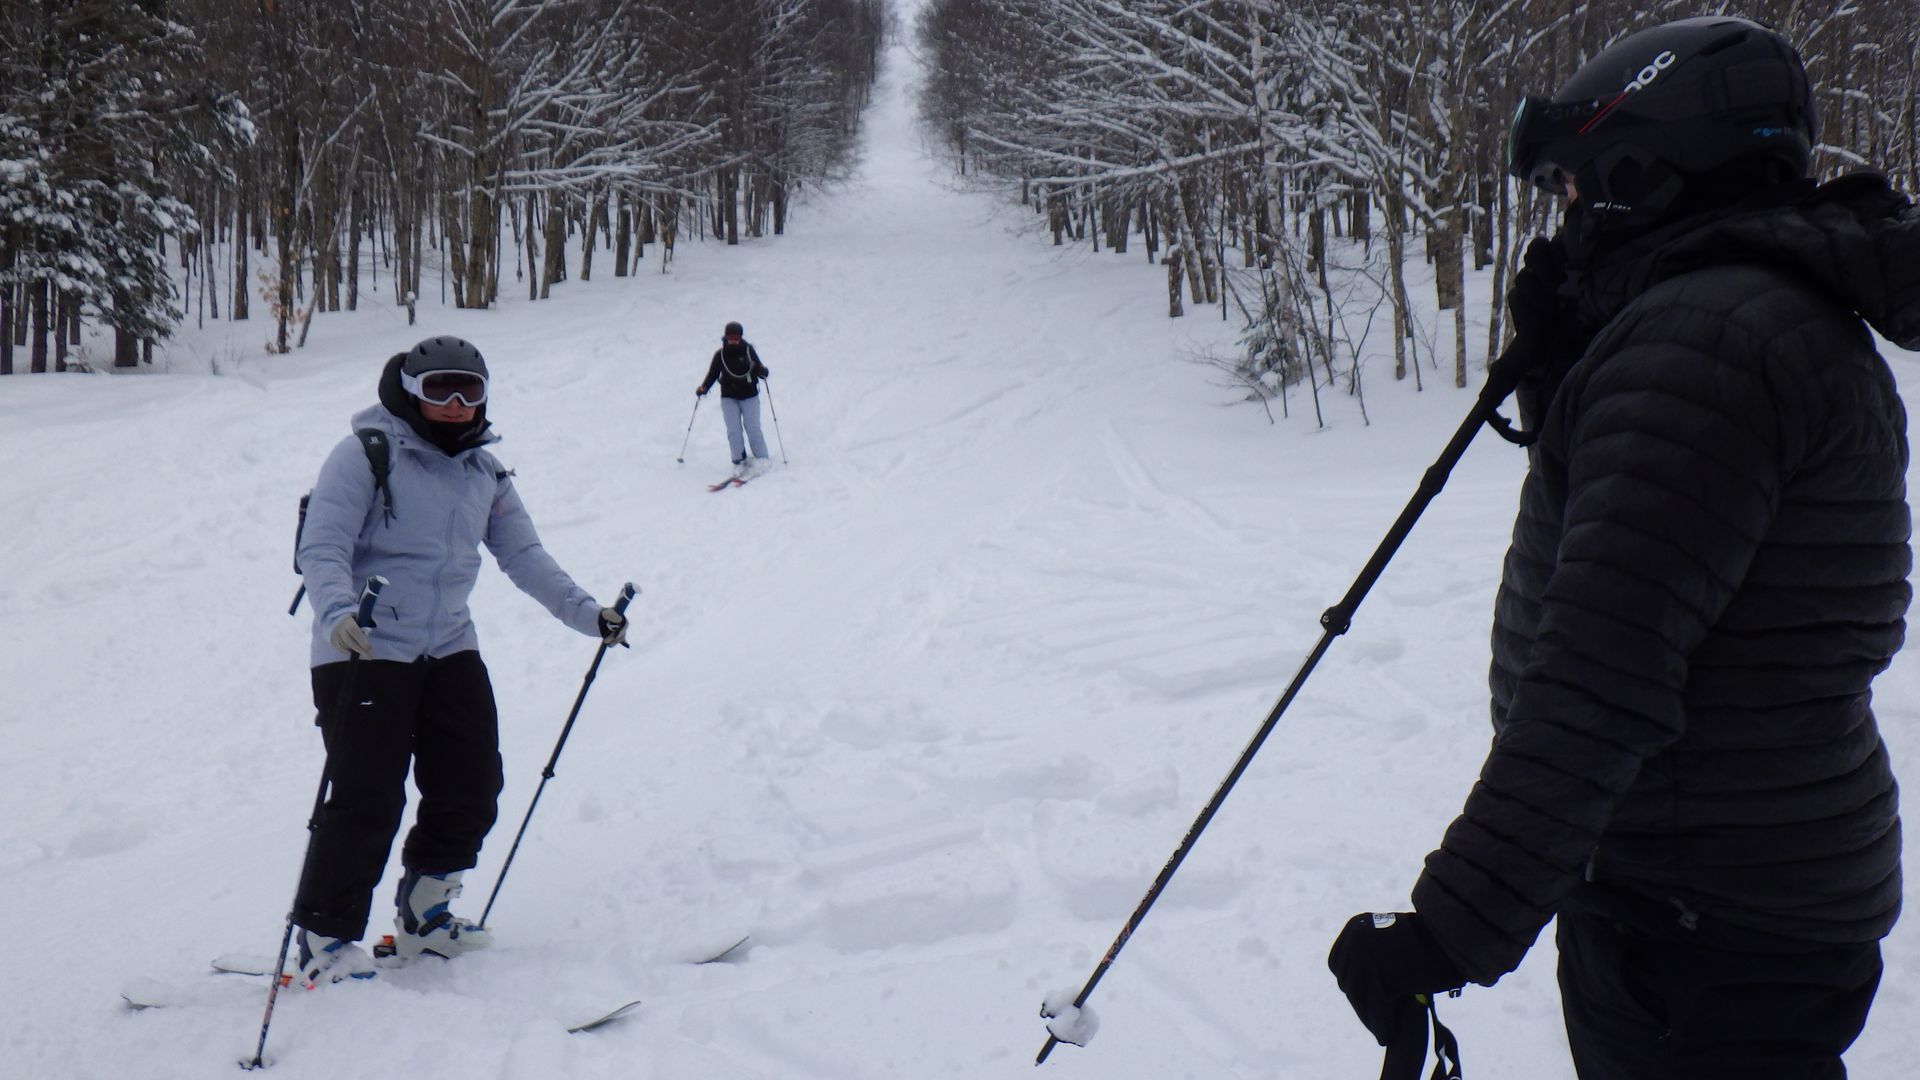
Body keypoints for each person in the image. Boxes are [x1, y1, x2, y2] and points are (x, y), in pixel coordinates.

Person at [1327, 16, 1916, 1078]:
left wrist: (1451, 929)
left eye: (1570, 189)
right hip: (1727, 892)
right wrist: (1572, 369)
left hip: (1705, 920)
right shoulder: (1755, 322)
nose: (1564, 221)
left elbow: (1604, 672)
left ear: (1644, 173)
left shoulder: (1705, 349)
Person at [291, 335, 629, 984]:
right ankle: (324, 941)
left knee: (472, 784)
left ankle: (425, 916)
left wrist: (589, 614)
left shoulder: (484, 473)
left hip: (448, 646)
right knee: (367, 797)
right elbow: (323, 545)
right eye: (439, 388)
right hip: (363, 645)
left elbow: (523, 555)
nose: (454, 403)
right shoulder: (365, 454)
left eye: (468, 390)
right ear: (410, 390)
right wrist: (337, 614)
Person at [696, 320, 771, 476]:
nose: (733, 341)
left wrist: (763, 372)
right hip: (729, 396)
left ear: (741, 337)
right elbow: (713, 374)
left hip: (749, 395)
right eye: (730, 338)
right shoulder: (720, 355)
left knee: (753, 427)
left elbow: (758, 368)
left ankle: (762, 458)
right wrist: (704, 387)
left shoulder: (748, 350)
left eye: (736, 338)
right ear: (725, 337)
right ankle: (738, 460)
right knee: (733, 430)